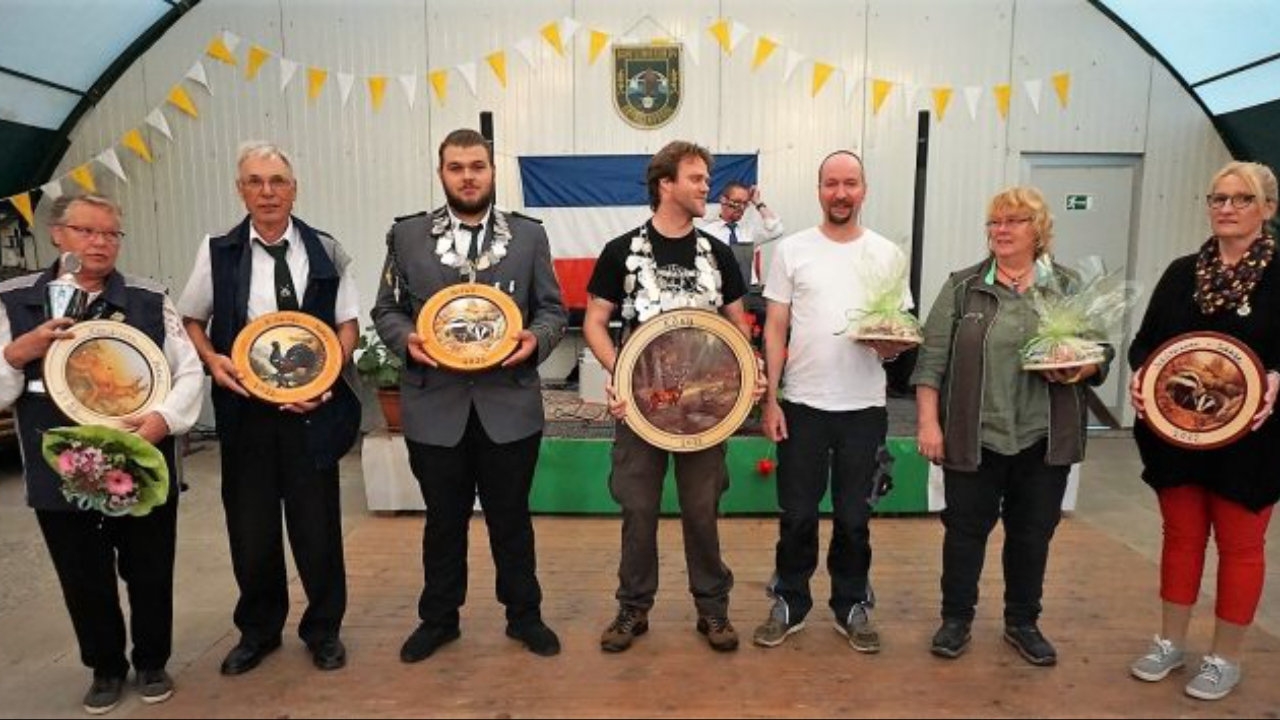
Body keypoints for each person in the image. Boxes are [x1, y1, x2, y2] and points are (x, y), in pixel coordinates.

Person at [0, 193, 203, 714]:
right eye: (87, 231)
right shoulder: (13, 299)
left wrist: (162, 422)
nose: (100, 243)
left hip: (142, 463)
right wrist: (19, 353)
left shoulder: (149, 296)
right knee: (83, 577)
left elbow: (187, 371)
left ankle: (153, 661)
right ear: (57, 234)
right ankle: (106, 668)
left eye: (111, 234)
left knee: (151, 570)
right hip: (60, 473)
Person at [373, 128, 567, 663]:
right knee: (442, 521)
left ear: (492, 171)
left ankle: (524, 616)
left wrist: (537, 340)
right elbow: (386, 309)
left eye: (477, 166)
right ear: (442, 174)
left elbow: (553, 310)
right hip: (435, 404)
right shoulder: (407, 236)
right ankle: (438, 619)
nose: (467, 175)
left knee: (511, 519)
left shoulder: (529, 236)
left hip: (509, 405)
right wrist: (406, 342)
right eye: (456, 167)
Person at [178, 142, 362, 676]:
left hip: (314, 410)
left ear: (294, 187)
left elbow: (348, 322)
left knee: (319, 529)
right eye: (255, 181)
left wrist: (330, 372)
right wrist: (212, 360)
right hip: (247, 415)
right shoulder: (216, 251)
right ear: (241, 190)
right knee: (251, 531)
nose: (267, 191)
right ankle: (258, 632)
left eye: (277, 180)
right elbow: (192, 318)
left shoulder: (326, 247)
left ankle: (323, 631)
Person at [912, 186, 1110, 667]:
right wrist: (928, 423)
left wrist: (1079, 367)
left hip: (1043, 438)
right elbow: (931, 360)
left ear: (1037, 230)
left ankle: (1022, 622)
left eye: (1014, 221)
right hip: (973, 435)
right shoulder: (963, 287)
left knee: (1032, 534)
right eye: (995, 222)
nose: (1000, 230)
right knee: (964, 532)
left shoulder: (1065, 286)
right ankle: (955, 619)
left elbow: (1099, 353)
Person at [583, 140, 762, 653]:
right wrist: (620, 374)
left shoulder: (719, 254)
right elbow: (596, 322)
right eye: (697, 178)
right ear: (666, 184)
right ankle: (632, 609)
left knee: (702, 509)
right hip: (640, 410)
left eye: (707, 179)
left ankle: (713, 610)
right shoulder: (620, 251)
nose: (707, 187)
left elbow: (737, 326)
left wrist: (750, 373)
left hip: (707, 410)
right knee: (638, 508)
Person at [1126, 161, 1280, 701]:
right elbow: (1144, 343)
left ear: (1268, 209)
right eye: (1218, 198)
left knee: (1241, 548)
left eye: (1241, 199)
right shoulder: (1181, 272)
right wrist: (1142, 371)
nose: (1227, 208)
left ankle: (1226, 658)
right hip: (1179, 439)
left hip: (1253, 444)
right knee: (1182, 539)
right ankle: (1170, 642)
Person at [753, 151, 912, 653]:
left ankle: (851, 604)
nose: (840, 193)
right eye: (831, 184)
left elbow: (901, 330)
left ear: (864, 189)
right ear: (818, 189)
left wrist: (892, 347)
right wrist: (771, 400)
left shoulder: (887, 253)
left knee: (853, 518)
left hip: (864, 408)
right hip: (801, 403)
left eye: (850, 184)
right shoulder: (793, 251)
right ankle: (790, 600)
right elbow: (775, 327)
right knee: (797, 514)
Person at [700, 181, 785, 287]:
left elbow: (777, 229)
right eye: (737, 201)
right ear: (723, 200)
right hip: (722, 290)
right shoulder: (707, 232)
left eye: (745, 203)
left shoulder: (749, 230)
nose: (741, 207)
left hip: (749, 291)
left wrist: (758, 203)